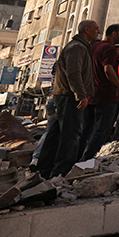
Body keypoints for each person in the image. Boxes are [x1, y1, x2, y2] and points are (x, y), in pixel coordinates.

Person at [36, 20, 98, 179]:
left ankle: (44, 170)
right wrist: (81, 94)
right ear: (87, 30)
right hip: (69, 96)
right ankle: (62, 171)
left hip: (65, 95)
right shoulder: (77, 47)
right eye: (96, 29)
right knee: (71, 133)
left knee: (56, 133)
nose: (98, 31)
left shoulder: (81, 47)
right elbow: (73, 72)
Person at [80, 24, 119, 161]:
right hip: (105, 95)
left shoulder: (94, 47)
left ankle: (77, 157)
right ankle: (86, 159)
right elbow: (108, 69)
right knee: (102, 130)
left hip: (90, 94)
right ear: (113, 34)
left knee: (86, 129)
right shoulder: (109, 48)